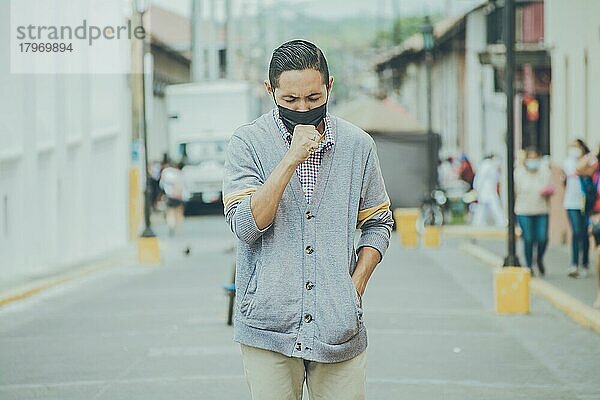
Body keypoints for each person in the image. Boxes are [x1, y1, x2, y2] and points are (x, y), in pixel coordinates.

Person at [222, 40, 393, 400]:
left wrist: (354, 286)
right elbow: (246, 226)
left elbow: (379, 220)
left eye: (314, 99)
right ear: (271, 91)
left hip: (339, 328)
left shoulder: (357, 145)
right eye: (290, 101)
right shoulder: (247, 143)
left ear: (330, 86)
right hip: (268, 327)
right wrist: (289, 160)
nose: (303, 108)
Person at [515, 148, 554, 276]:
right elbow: (514, 192)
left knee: (543, 238)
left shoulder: (545, 171)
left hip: (541, 209)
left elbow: (551, 187)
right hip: (524, 210)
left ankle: (539, 258)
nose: (533, 161)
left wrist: (547, 191)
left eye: (535, 158)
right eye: (530, 158)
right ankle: (529, 265)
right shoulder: (518, 172)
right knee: (528, 239)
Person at [562, 139, 592, 278]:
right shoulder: (568, 161)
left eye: (576, 147)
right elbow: (578, 170)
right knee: (576, 232)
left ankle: (585, 263)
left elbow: (590, 171)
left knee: (584, 233)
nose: (573, 150)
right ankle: (574, 263)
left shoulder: (589, 160)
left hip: (586, 203)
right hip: (571, 203)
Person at [472, 154, 506, 227]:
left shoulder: (492, 167)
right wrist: (477, 189)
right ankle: (501, 222)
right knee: (490, 207)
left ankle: (478, 223)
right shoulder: (486, 165)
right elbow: (480, 179)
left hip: (489, 190)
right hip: (485, 190)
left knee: (484, 208)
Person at [159, 162, 188, 237]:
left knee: (170, 212)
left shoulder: (166, 173)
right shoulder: (179, 173)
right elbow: (184, 186)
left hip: (170, 196)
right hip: (179, 196)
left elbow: (161, 185)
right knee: (179, 213)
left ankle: (171, 225)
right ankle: (178, 228)